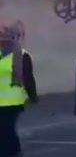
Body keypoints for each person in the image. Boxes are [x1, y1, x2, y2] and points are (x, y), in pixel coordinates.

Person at [0, 22, 33, 157]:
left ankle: (9, 152)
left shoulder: (22, 54)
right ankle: (15, 150)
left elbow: (28, 77)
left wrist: (33, 96)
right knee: (5, 129)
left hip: (13, 101)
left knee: (5, 128)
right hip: (1, 100)